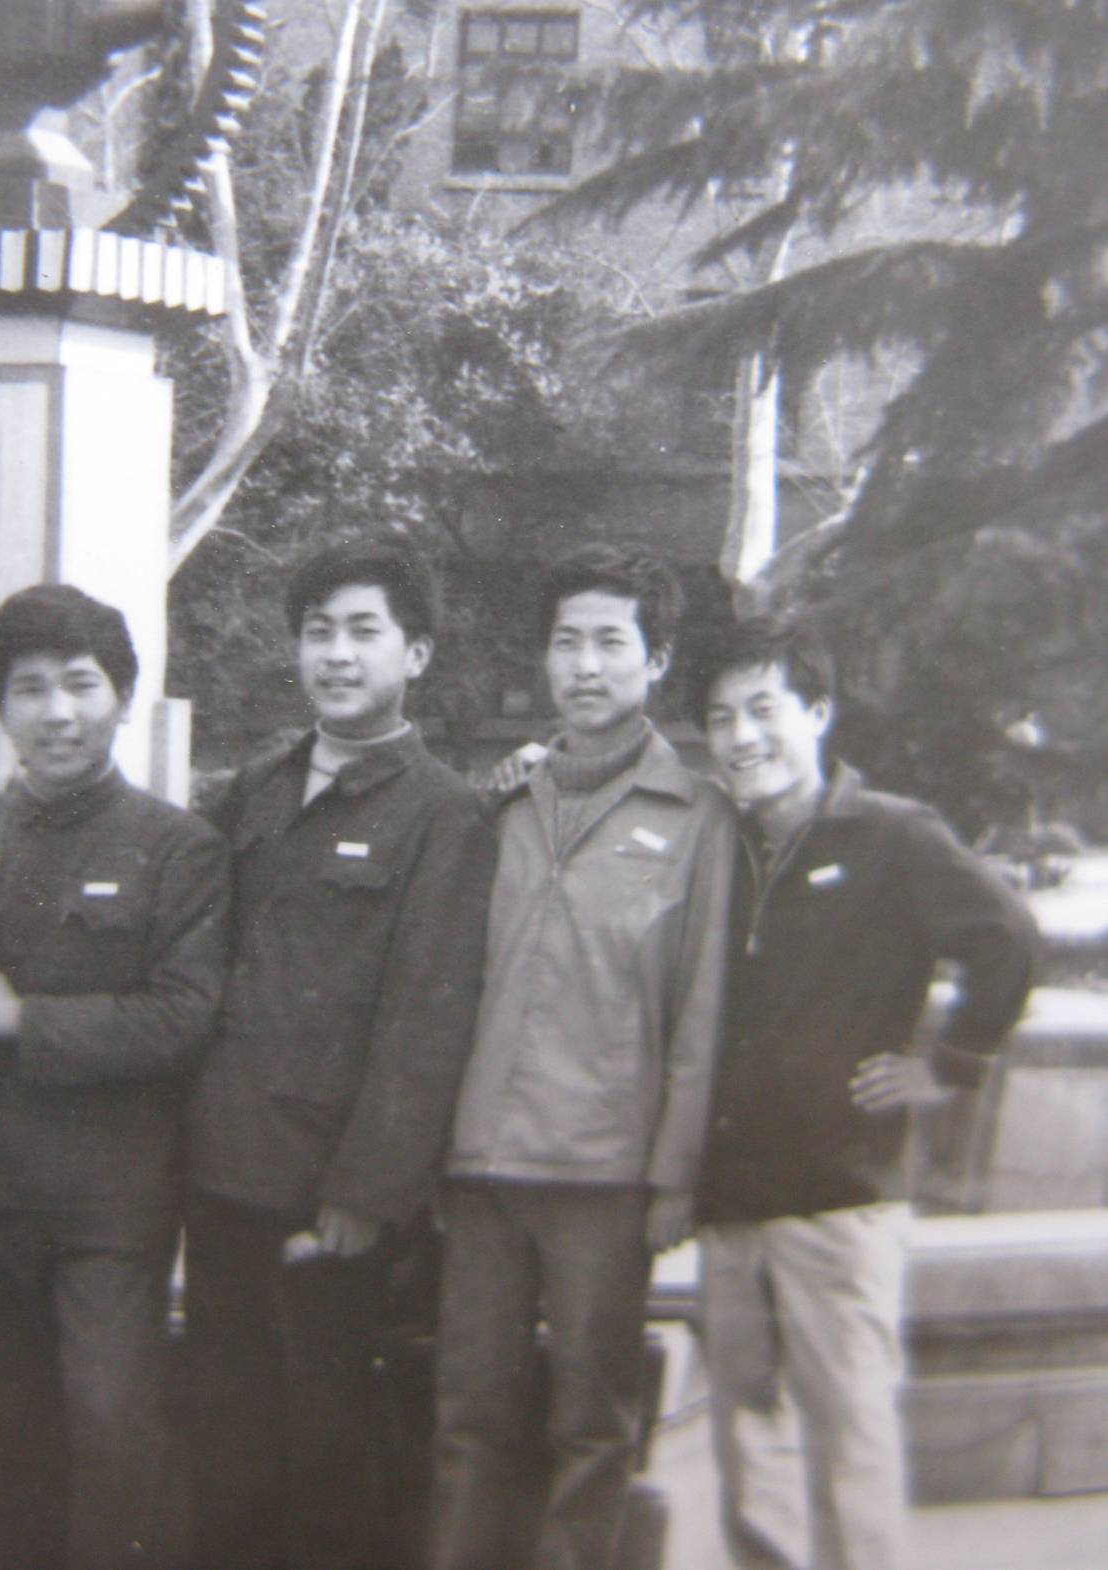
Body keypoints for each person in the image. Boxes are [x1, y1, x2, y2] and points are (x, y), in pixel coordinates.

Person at [0, 584, 231, 1570]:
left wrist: (22, 1022)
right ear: (1, 706)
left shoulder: (177, 848)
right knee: (5, 1433)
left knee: (113, 1428)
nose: (57, 711)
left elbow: (183, 1016)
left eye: (81, 684)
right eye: (30, 689)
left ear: (122, 698)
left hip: (105, 1199)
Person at [689, 613, 1036, 1570]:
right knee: (747, 1449)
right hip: (731, 1201)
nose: (742, 735)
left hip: (840, 1201)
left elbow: (1009, 941)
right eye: (720, 716)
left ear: (818, 712)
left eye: (765, 708)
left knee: (851, 1447)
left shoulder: (892, 834)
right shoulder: (719, 843)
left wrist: (947, 1066)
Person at [181, 534, 497, 1570]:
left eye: (365, 631)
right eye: (319, 631)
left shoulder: (444, 815)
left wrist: (365, 1192)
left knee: (325, 1454)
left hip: (327, 1193)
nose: (338, 654)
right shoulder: (255, 789)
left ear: (417, 654)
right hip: (219, 1175)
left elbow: (427, 1018)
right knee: (225, 1444)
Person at [428, 545, 738, 1570]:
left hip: (604, 1176)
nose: (585, 665)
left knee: (590, 1425)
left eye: (611, 642)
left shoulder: (697, 820)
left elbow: (700, 1010)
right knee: (468, 1415)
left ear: (657, 660)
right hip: (480, 1168)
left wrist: (673, 1175)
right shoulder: (499, 804)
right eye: (567, 642)